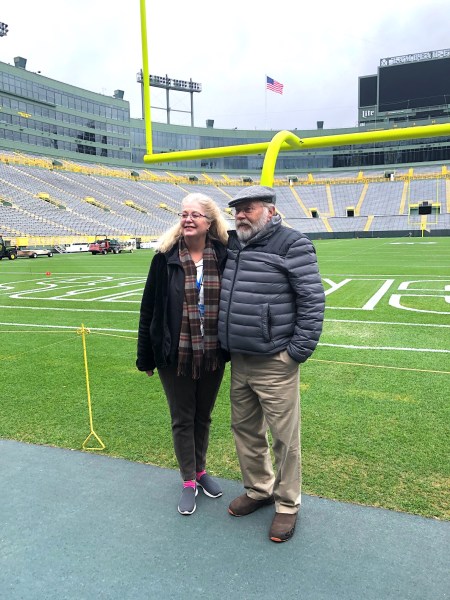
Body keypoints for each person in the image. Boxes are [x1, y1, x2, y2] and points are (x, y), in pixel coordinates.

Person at [218, 185, 325, 543]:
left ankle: (288, 504)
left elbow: (312, 300)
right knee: (245, 430)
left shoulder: (292, 243)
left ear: (270, 211)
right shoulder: (234, 243)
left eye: (247, 208)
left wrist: (295, 353)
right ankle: (259, 489)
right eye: (236, 210)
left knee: (284, 438)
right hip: (240, 358)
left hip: (275, 361)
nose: (240, 215)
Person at [137, 192, 229, 515]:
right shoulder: (164, 258)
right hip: (175, 353)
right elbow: (149, 309)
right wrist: (145, 357)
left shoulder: (224, 255)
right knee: (182, 418)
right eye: (183, 214)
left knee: (203, 416)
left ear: (209, 222)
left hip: (213, 353)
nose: (187, 219)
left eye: (195, 215)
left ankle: (201, 470)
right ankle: (188, 480)